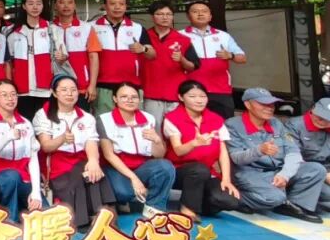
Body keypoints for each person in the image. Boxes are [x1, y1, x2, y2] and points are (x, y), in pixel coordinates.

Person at [224, 87, 324, 223]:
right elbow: (236, 158)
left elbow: (293, 152)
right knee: (273, 198)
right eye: (263, 104)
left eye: (271, 104)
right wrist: (259, 150)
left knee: (316, 169)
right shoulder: (232, 125)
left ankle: (294, 205)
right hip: (250, 173)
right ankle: (236, 199)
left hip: (277, 171)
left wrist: (285, 174)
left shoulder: (276, 123)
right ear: (248, 104)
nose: (269, 108)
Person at [34, 74, 116, 230]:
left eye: (73, 90)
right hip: (57, 164)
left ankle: (101, 217)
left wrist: (93, 161)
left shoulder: (87, 117)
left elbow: (91, 142)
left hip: (81, 160)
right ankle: (88, 219)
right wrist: (62, 139)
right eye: (64, 90)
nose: (69, 94)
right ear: (54, 93)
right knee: (82, 172)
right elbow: (46, 146)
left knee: (95, 172)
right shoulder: (43, 115)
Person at [163, 80, 241, 220]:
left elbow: (223, 152)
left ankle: (196, 201)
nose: (199, 100)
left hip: (207, 172)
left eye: (202, 96)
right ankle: (188, 209)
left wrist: (226, 179)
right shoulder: (172, 118)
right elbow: (178, 151)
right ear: (181, 97)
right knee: (199, 169)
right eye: (192, 96)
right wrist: (195, 143)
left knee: (229, 201)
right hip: (179, 171)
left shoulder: (216, 119)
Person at [97, 83, 176, 215]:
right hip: (116, 167)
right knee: (124, 192)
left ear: (140, 99)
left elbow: (159, 155)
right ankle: (122, 201)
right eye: (124, 97)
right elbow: (108, 155)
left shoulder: (149, 119)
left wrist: (157, 141)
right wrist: (134, 179)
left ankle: (154, 207)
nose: (129, 100)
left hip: (142, 166)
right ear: (115, 99)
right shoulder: (104, 120)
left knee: (166, 167)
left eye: (134, 97)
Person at [0, 79, 43, 221]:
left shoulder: (25, 123)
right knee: (12, 177)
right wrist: (7, 137)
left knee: (43, 211)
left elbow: (33, 158)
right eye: (4, 95)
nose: (10, 98)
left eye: (13, 94)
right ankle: (9, 223)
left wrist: (36, 191)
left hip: (22, 176)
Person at [181, 1, 248, 121]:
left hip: (221, 90)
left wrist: (230, 55)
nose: (200, 14)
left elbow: (242, 58)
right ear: (188, 16)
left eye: (204, 11)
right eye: (195, 11)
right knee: (193, 125)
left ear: (210, 16)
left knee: (224, 125)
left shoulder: (223, 36)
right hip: (192, 90)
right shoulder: (180, 35)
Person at [92, 0, 154, 115]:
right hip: (103, 86)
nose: (117, 7)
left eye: (121, 4)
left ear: (126, 6)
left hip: (132, 86)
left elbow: (152, 54)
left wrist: (143, 49)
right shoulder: (92, 27)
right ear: (104, 6)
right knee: (104, 122)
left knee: (133, 122)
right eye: (113, 4)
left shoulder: (137, 28)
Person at [142, 1, 200, 128]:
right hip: (150, 94)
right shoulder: (143, 37)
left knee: (176, 131)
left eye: (168, 14)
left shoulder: (183, 39)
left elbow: (193, 66)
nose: (165, 17)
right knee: (152, 130)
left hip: (175, 94)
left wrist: (182, 59)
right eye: (160, 14)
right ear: (152, 16)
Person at [7, 0, 55, 120]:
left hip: (45, 87)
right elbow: (8, 62)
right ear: (24, 6)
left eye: (38, 3)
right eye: (31, 3)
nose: (35, 7)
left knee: (45, 124)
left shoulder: (51, 29)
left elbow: (58, 57)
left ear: (43, 6)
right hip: (22, 88)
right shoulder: (14, 32)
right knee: (25, 123)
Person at [51, 0, 101, 107]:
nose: (66, 6)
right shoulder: (49, 28)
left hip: (81, 86)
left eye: (70, 2)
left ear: (75, 5)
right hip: (55, 86)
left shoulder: (86, 28)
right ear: (55, 6)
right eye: (61, 2)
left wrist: (92, 85)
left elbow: (93, 57)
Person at [283, 98, 330, 212]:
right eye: (320, 117)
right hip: (303, 171)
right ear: (313, 109)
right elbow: (292, 156)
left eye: (327, 119)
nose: (322, 121)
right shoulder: (294, 125)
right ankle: (295, 203)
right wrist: (326, 175)